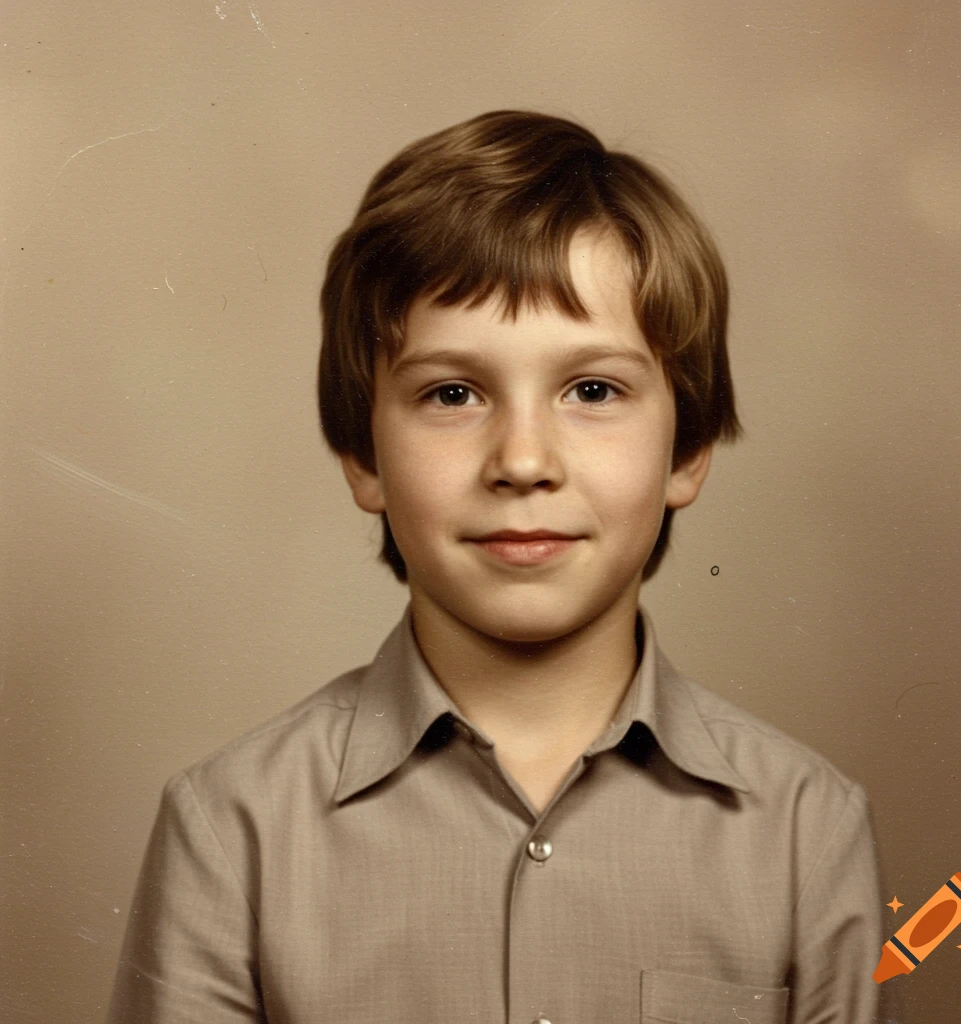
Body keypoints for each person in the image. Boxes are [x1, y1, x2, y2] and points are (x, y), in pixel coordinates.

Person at [106, 110, 884, 1023]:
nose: (523, 460)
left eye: (592, 390)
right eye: (453, 393)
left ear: (688, 450)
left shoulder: (807, 830)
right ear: (363, 457)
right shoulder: (232, 828)